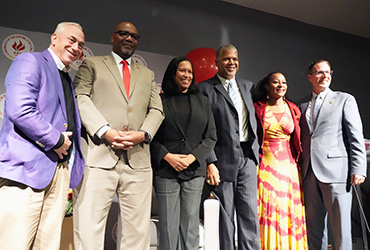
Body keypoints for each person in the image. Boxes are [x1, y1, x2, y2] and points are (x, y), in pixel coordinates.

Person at [72, 21, 164, 250]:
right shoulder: (91, 64)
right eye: (123, 34)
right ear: (113, 37)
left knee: (137, 231)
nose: (129, 38)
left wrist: (142, 134)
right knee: (89, 225)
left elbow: (157, 110)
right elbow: (80, 98)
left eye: (134, 36)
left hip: (138, 160)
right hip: (98, 156)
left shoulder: (147, 73)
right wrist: (106, 131)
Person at [0, 22, 85, 250]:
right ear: (54, 38)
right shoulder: (30, 61)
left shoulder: (67, 77)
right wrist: (56, 140)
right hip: (25, 171)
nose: (76, 47)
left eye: (81, 44)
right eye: (72, 40)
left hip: (57, 173)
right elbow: (20, 110)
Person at [197, 44, 260, 250]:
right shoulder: (205, 89)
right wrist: (210, 162)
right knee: (225, 219)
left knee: (249, 214)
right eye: (226, 59)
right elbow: (201, 129)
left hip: (247, 158)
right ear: (216, 63)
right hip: (221, 159)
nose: (231, 62)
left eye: (235, 58)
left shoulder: (248, 87)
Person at [299, 60, 367, 250]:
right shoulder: (301, 104)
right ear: (310, 77)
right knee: (313, 228)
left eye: (328, 72)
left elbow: (356, 136)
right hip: (309, 172)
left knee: (341, 229)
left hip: (337, 172)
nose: (325, 76)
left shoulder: (344, 99)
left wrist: (359, 168)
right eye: (319, 72)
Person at [151, 56, 217, 250]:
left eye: (189, 71)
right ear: (173, 73)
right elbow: (151, 136)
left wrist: (192, 157)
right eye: (182, 71)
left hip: (194, 170)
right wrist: (167, 156)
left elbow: (211, 136)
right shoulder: (160, 100)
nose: (187, 75)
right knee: (168, 226)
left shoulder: (203, 101)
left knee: (190, 225)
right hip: (166, 170)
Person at [253, 72, 308, 249]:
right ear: (267, 86)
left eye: (283, 82)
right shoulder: (258, 108)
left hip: (290, 168)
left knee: (288, 209)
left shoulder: (293, 109)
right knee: (269, 207)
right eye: (275, 82)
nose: (280, 85)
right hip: (265, 167)